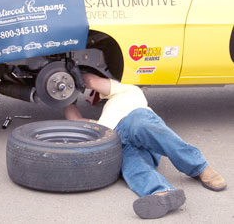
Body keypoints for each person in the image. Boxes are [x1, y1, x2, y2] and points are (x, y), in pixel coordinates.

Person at [64, 73, 227, 219]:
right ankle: (162, 193)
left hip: (134, 119)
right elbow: (75, 121)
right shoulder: (100, 122)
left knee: (142, 125)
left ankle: (199, 167)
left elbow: (91, 81)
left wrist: (69, 76)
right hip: (115, 140)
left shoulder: (129, 91)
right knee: (132, 167)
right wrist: (65, 97)